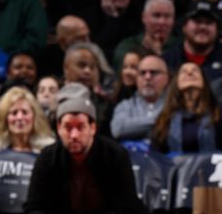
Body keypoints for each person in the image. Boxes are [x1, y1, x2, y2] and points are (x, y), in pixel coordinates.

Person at [24, 83, 146, 214]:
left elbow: (127, 206)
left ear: (92, 128)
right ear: (59, 128)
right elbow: (34, 206)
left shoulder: (115, 155)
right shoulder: (47, 157)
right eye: (68, 128)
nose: (74, 135)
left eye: (80, 127)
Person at [151, 62, 222, 154]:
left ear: (204, 81)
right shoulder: (165, 117)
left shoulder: (220, 113)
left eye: (195, 71)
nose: (190, 73)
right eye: (184, 72)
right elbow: (156, 156)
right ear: (176, 83)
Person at [164, 0, 222, 81]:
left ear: (217, 29)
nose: (203, 27)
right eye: (197, 21)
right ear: (184, 26)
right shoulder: (167, 61)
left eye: (208, 22)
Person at [110, 53, 169, 140]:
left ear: (166, 77)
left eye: (154, 72)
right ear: (137, 79)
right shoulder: (125, 105)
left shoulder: (174, 104)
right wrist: (160, 121)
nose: (148, 77)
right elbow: (118, 129)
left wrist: (134, 128)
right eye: (142, 73)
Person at [0, 86, 55, 157]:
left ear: (34, 117)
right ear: (5, 118)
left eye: (25, 112)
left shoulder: (49, 151)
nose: (19, 118)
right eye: (14, 113)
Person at [112, 0, 176, 70]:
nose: (161, 22)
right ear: (144, 17)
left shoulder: (179, 47)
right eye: (156, 15)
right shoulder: (127, 46)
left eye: (167, 16)